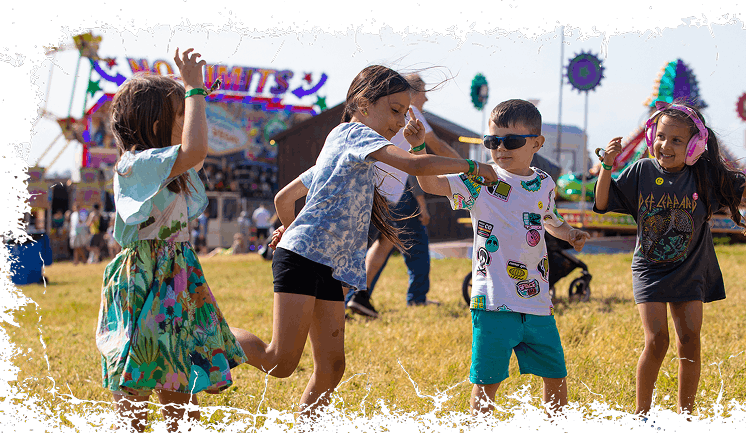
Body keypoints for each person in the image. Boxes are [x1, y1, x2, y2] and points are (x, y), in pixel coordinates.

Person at [228, 64, 498, 426]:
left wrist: (293, 228)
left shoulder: (344, 149)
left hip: (328, 265)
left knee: (332, 366)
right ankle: (211, 333)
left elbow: (284, 198)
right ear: (363, 103)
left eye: (405, 112)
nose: (401, 121)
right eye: (395, 110)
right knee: (280, 362)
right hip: (304, 260)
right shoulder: (353, 134)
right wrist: (472, 166)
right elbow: (413, 166)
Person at [593, 99, 746, 418]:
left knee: (689, 342)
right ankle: (641, 414)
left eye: (677, 140)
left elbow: (744, 187)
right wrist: (607, 166)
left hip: (691, 270)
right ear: (653, 137)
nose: (665, 145)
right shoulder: (641, 170)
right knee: (657, 341)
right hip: (649, 270)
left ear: (694, 146)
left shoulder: (705, 175)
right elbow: (602, 200)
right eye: (662, 136)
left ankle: (685, 414)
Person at [94, 48, 246, 433]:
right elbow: (195, 148)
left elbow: (193, 149)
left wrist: (195, 97)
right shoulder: (134, 164)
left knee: (179, 379)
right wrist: (193, 89)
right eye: (180, 114)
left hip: (175, 275)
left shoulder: (165, 167)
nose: (188, 120)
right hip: (144, 278)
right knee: (135, 388)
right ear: (158, 121)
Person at [415, 99, 590, 421]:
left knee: (556, 374)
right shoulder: (481, 180)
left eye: (511, 141)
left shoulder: (544, 183)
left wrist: (569, 233)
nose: (500, 149)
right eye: (492, 142)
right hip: (492, 302)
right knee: (487, 381)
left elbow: (550, 218)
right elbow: (429, 183)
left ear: (537, 143)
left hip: (537, 301)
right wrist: (416, 148)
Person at [346, 72, 463, 317]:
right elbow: (437, 147)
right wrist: (469, 167)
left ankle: (359, 296)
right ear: (414, 92)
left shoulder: (397, 113)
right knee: (361, 250)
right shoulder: (411, 114)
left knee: (382, 246)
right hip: (381, 192)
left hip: (388, 192)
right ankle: (342, 300)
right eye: (424, 93)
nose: (427, 99)